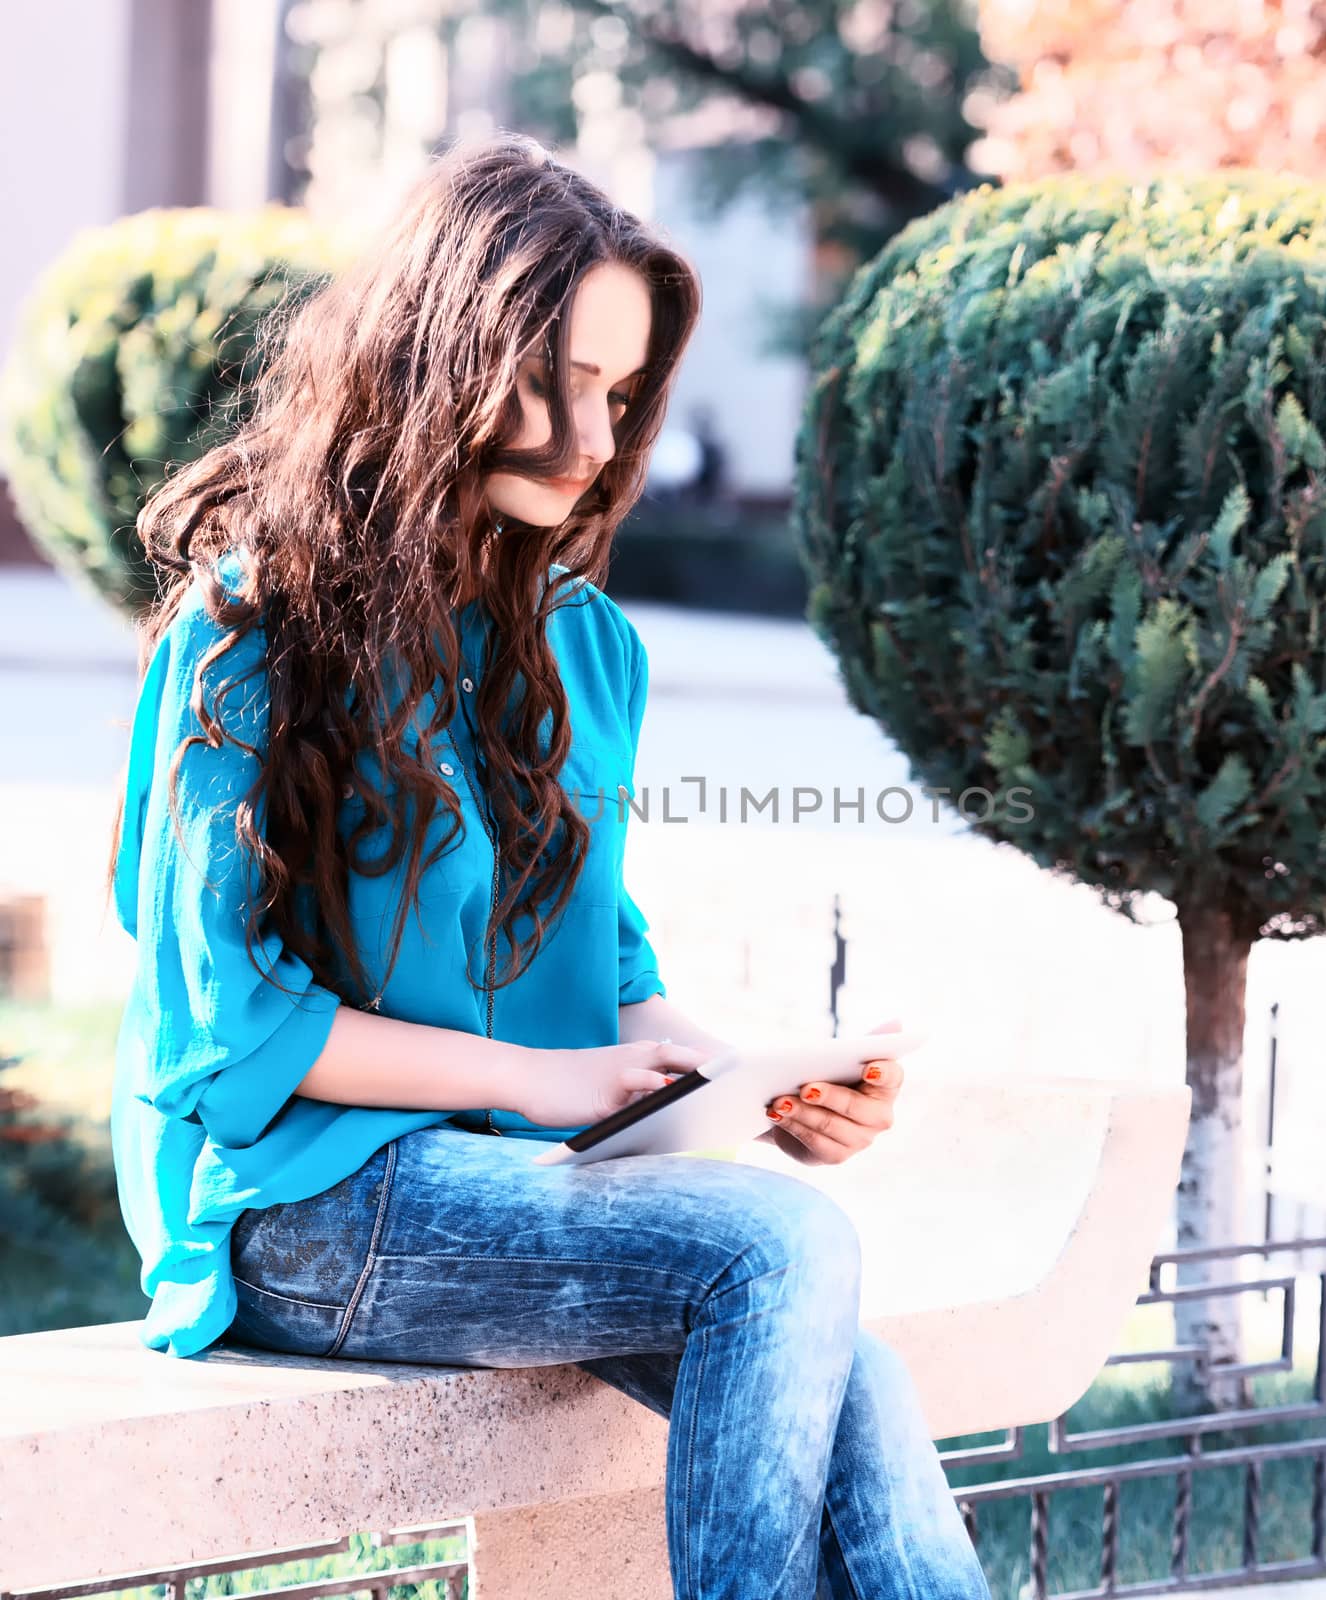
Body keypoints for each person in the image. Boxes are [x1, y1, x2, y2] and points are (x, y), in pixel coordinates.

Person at [103, 133, 992, 1600]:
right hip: (287, 1208)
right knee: (776, 1254)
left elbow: (604, 968)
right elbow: (223, 1026)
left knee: (860, 1377)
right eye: (552, 378)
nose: (592, 433)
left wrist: (759, 1079)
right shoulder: (250, 634)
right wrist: (528, 1080)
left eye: (619, 392)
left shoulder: (581, 645)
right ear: (435, 351)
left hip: (490, 1182)